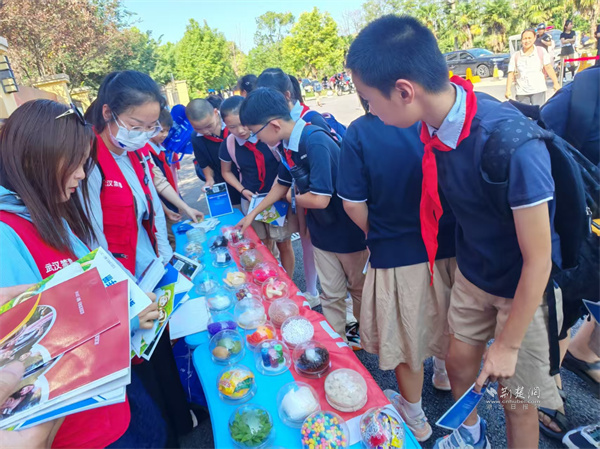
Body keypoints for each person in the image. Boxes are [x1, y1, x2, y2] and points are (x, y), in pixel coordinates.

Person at [347, 15, 563, 449]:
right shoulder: (432, 127)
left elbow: (539, 259)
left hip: (524, 286)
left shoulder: (510, 143)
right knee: (459, 362)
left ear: (404, 91)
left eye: (370, 100)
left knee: (517, 400)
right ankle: (471, 434)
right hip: (473, 272)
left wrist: (508, 344)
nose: (370, 112)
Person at [0, 100, 164, 447]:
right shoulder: (6, 235)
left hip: (107, 398)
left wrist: (128, 302)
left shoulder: (49, 214)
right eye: (73, 163)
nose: (81, 174)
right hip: (76, 429)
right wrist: (126, 316)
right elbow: (29, 347)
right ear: (36, 159)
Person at [337, 97, 457, 441]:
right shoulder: (438, 118)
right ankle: (444, 374)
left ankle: (415, 416)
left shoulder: (361, 131)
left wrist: (375, 233)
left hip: (398, 251)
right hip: (451, 245)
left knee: (408, 338)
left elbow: (352, 203)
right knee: (450, 320)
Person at [86, 71, 194, 446]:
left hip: (150, 272)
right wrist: (125, 298)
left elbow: (151, 206)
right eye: (136, 125)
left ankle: (181, 421)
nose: (145, 134)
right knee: (142, 369)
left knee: (160, 351)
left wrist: (165, 256)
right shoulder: (90, 164)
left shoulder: (135, 152)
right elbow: (93, 242)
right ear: (108, 114)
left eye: (151, 126)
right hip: (124, 286)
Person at [238, 87, 369, 345]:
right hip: (321, 233)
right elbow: (281, 183)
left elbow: (320, 199)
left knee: (359, 291)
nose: (256, 139)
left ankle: (367, 339)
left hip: (347, 234)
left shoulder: (314, 141)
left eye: (256, 132)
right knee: (330, 295)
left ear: (274, 125)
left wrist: (290, 198)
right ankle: (338, 346)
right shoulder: (288, 144)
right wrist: (252, 214)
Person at [255, 69, 324, 310]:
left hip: (318, 197)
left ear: (286, 96)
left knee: (330, 252)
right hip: (301, 193)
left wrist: (294, 196)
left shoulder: (310, 124)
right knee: (308, 242)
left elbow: (323, 190)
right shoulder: (283, 132)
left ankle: (344, 301)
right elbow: (285, 173)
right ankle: (314, 291)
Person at [218, 95, 296, 275]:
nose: (240, 131)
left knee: (284, 243)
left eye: (243, 124)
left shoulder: (269, 137)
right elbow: (226, 172)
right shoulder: (229, 144)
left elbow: (285, 166)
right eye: (232, 127)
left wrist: (279, 190)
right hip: (251, 200)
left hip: (277, 199)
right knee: (262, 245)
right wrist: (242, 190)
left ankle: (289, 282)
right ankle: (271, 279)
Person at [148, 108, 203, 248]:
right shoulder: (145, 151)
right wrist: (166, 208)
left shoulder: (161, 148)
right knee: (172, 240)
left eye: (167, 131)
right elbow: (154, 187)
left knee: (176, 236)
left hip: (169, 202)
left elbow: (162, 182)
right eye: (160, 131)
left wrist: (182, 206)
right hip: (160, 207)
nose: (164, 135)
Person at [186, 98, 241, 206]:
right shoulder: (196, 138)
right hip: (224, 183)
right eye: (198, 128)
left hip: (248, 178)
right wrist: (209, 179)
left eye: (209, 126)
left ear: (215, 113)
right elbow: (204, 163)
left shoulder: (233, 123)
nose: (205, 131)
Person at [506, 28, 560, 105]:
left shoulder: (541, 51)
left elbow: (548, 67)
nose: (527, 41)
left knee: (539, 111)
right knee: (523, 112)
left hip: (538, 90)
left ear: (534, 38)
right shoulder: (515, 56)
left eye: (529, 38)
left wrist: (556, 83)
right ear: (521, 40)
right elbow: (510, 73)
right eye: (524, 38)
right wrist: (508, 89)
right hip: (521, 92)